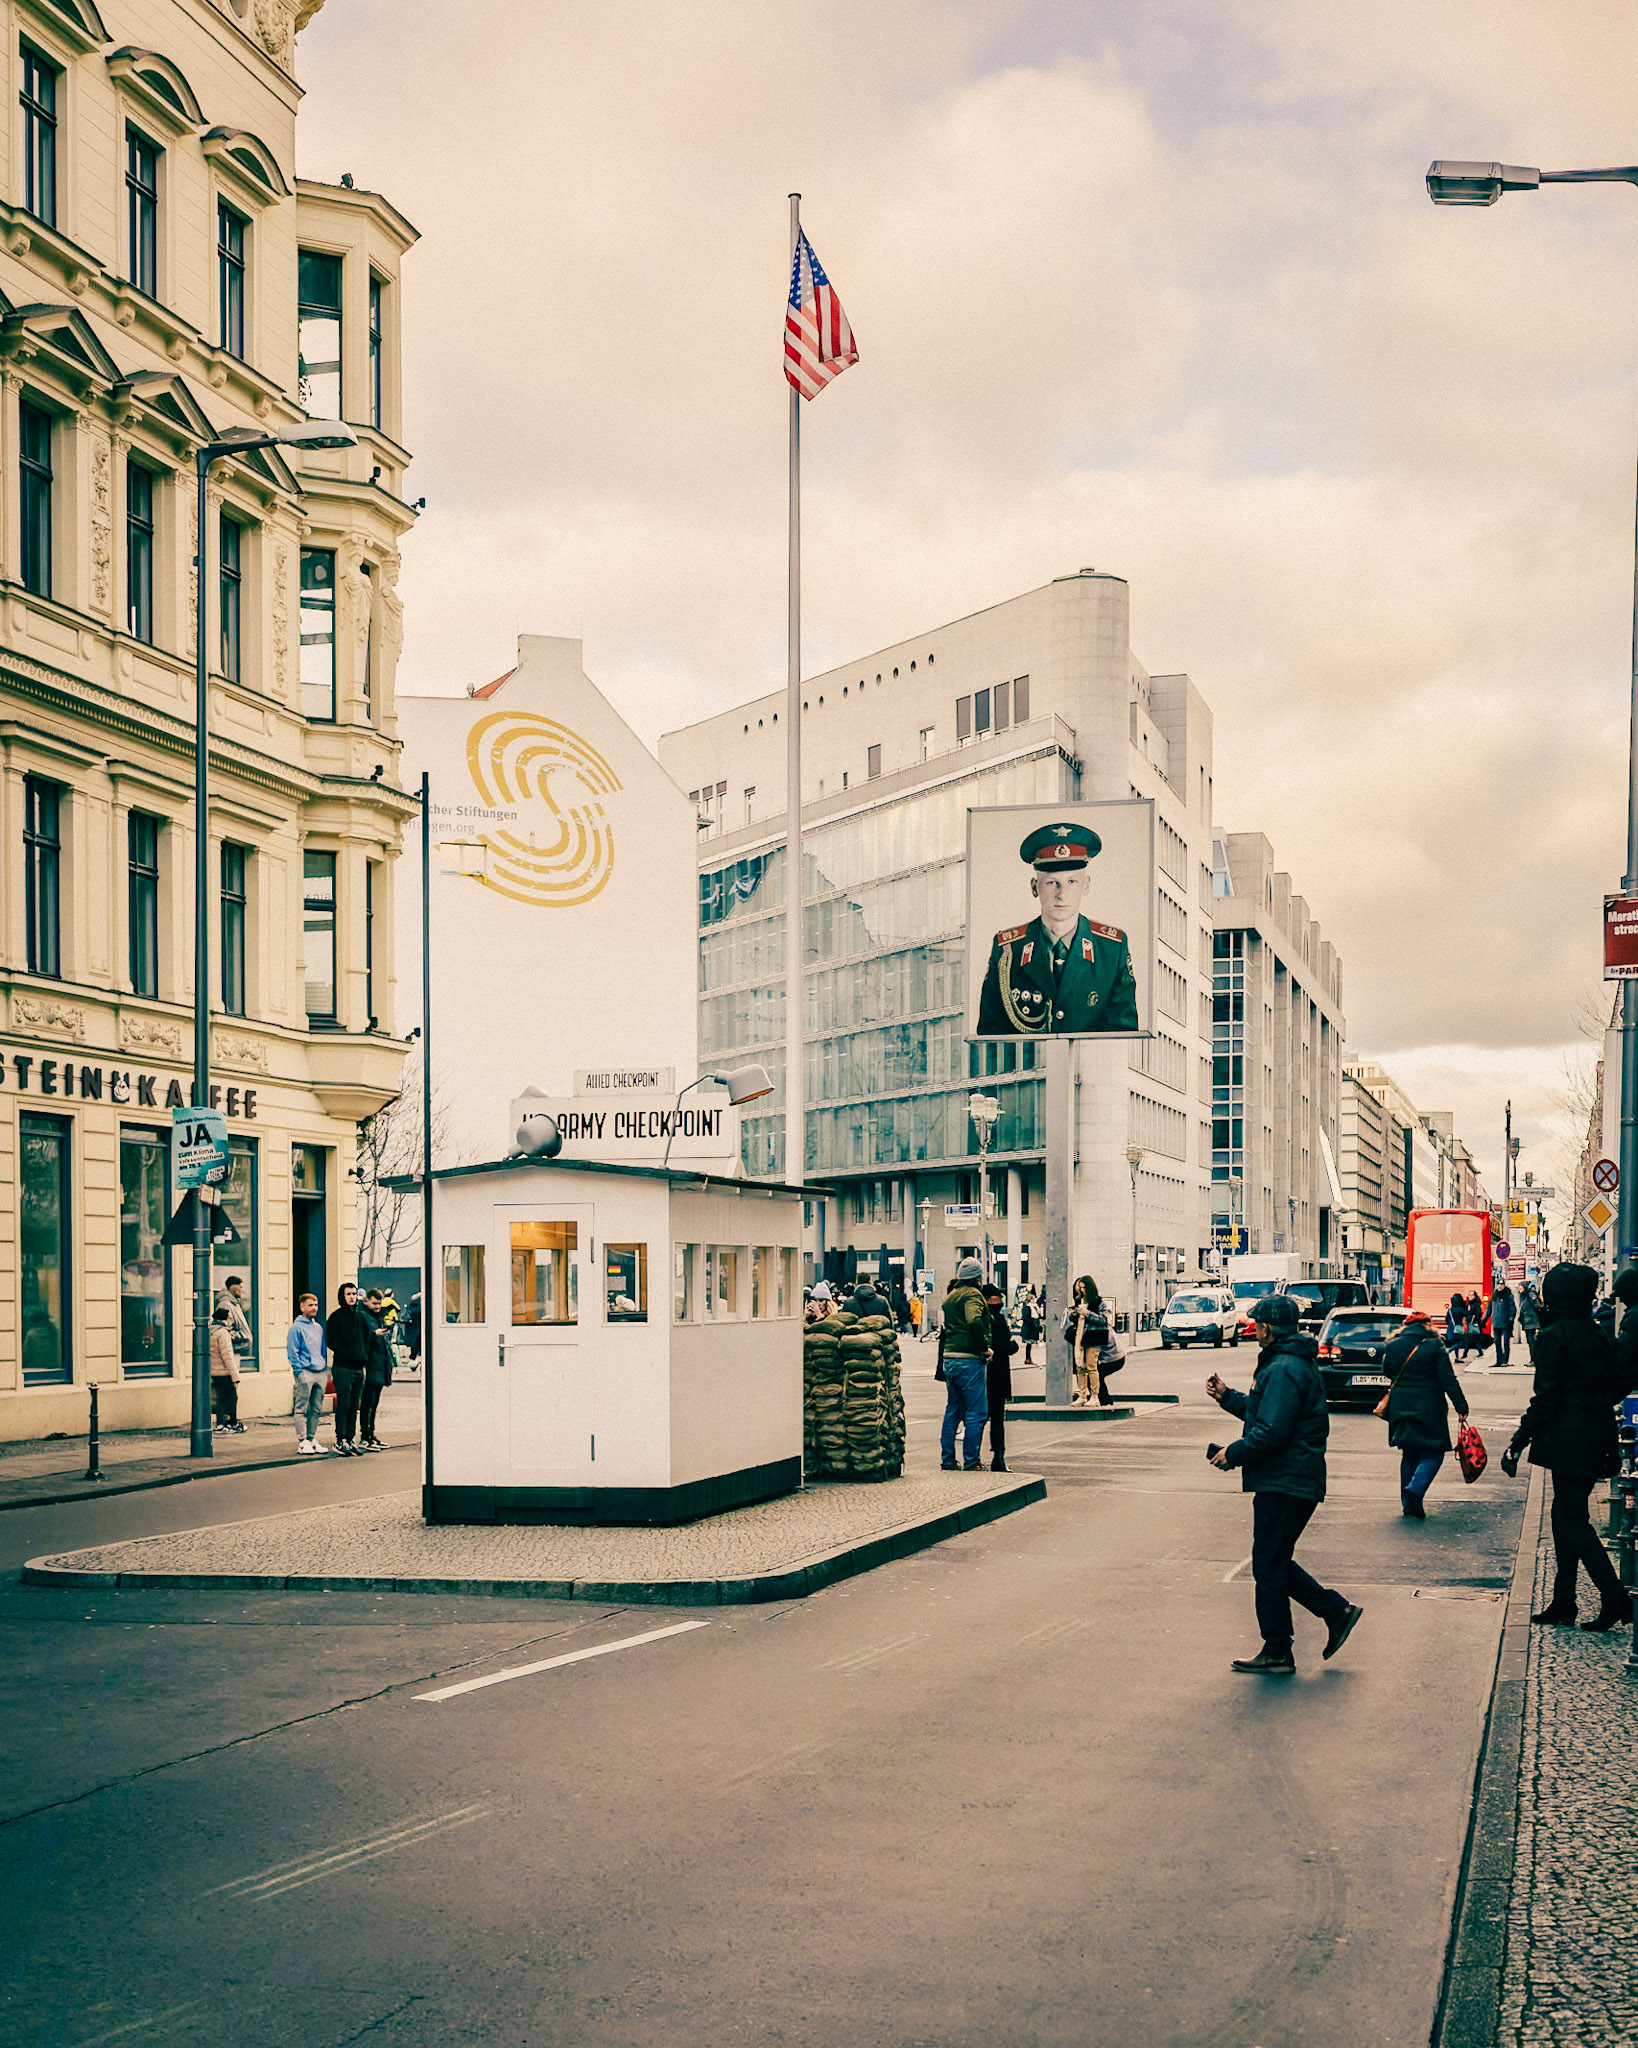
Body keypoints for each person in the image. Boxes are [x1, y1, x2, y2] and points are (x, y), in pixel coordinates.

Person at [1207, 1293, 1363, 1675]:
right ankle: (1334, 1612)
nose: (1254, 1329)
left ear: (1266, 1328)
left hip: (1285, 1480)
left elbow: (1271, 1431)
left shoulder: (1282, 1368)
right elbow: (1266, 1412)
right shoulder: (1289, 1362)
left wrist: (1233, 1454)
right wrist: (1227, 1397)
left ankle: (1279, 1648)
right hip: (1291, 1477)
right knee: (1274, 1561)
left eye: (1257, 1324)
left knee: (1268, 1564)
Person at [1500, 1262, 1634, 1631]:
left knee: (1571, 1519)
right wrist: (1596, 1404)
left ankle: (1615, 1597)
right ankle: (1564, 1601)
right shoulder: (1598, 1334)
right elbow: (1619, 1380)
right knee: (1564, 1517)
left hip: (1567, 1441)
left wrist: (1518, 1441)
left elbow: (1546, 1399)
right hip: (1597, 1437)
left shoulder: (1553, 1337)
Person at [976, 822, 1139, 1035]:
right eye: (1052, 883)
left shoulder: (1111, 949)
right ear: (1035, 887)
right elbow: (990, 1034)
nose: (1062, 895)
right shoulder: (1008, 950)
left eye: (1072, 882)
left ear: (1086, 885)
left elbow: (1124, 1035)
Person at [1382, 1309, 1469, 1518]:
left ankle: (1408, 1505)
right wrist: (1461, 1406)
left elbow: (1387, 1371)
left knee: (1409, 1453)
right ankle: (1415, 1489)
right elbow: (1448, 1379)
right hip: (1429, 1407)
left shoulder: (1392, 1345)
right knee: (1434, 1452)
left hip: (1401, 1405)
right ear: (1427, 1326)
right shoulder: (1434, 1346)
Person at [939, 1258, 991, 1471]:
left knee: (953, 1410)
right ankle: (971, 1461)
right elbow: (973, 1320)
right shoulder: (972, 1295)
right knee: (977, 1411)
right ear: (978, 1277)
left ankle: (948, 1460)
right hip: (968, 1358)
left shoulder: (951, 1296)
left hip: (950, 1357)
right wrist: (984, 1347)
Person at [324, 1281, 374, 1456]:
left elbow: (367, 1338)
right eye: (348, 1294)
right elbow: (331, 1341)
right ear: (342, 1296)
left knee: (354, 1406)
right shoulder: (335, 1317)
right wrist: (348, 1353)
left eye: (354, 1294)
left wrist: (364, 1355)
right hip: (343, 1368)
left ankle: (350, 1439)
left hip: (358, 1369)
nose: (352, 1297)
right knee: (343, 1405)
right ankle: (340, 1440)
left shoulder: (360, 1317)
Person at [286, 1292, 330, 1454]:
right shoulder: (296, 1328)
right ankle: (302, 1441)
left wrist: (324, 1368)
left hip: (320, 1371)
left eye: (316, 1305)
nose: (314, 1308)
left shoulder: (318, 1328)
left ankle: (311, 1438)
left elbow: (322, 1349)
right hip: (305, 1371)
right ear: (302, 1307)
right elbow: (293, 1351)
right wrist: (299, 1372)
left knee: (316, 1409)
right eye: (310, 1305)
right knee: (301, 1408)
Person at [981, 1283, 1016, 1472]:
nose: (1000, 1299)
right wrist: (1010, 1347)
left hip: (996, 1371)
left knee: (993, 1416)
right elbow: (997, 1343)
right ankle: (996, 1457)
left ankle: (998, 1455)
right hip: (994, 1370)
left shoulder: (994, 1317)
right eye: (997, 1296)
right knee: (991, 1416)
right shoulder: (990, 1318)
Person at [1065, 1275, 1113, 1406]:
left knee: (1091, 1366)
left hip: (1094, 1337)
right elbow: (1072, 1318)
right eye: (1080, 1288)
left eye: (1084, 1288)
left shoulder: (1098, 1302)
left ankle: (1094, 1396)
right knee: (1080, 1366)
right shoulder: (1078, 1300)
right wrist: (1074, 1314)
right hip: (1080, 1336)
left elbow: (1103, 1319)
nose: (1081, 1290)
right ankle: (1082, 1395)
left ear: (1090, 1288)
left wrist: (1086, 1313)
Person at [359, 1288, 397, 1451]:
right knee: (367, 1403)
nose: (377, 1306)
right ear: (367, 1301)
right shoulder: (363, 1316)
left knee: (374, 1404)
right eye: (374, 1303)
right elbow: (361, 1339)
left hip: (380, 1364)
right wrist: (374, 1334)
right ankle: (365, 1436)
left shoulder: (378, 1317)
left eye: (379, 1304)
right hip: (371, 1365)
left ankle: (371, 1435)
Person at [210, 1306, 243, 1432]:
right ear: (225, 1319)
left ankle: (220, 1422)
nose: (230, 1321)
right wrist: (235, 1375)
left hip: (214, 1371)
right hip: (224, 1372)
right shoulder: (223, 1333)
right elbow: (227, 1355)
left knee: (220, 1398)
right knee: (232, 1397)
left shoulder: (210, 1331)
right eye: (229, 1318)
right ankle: (232, 1423)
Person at [216, 1273, 254, 1368]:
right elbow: (221, 1330)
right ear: (233, 1288)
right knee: (232, 1376)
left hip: (235, 1351)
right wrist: (240, 1337)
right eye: (241, 1287)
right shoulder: (225, 1305)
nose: (243, 1290)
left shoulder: (235, 1304)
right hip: (230, 1353)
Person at [1491, 1279, 1517, 1367]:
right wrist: (1485, 1319)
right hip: (1496, 1322)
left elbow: (1512, 1308)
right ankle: (1498, 1360)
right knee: (1497, 1343)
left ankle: (1505, 1361)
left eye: (1502, 1284)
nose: (1500, 1286)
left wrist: (1511, 1319)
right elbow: (1490, 1308)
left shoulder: (1508, 1295)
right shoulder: (1494, 1295)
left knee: (1506, 1343)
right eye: (1499, 1284)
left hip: (1506, 1323)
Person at [1444, 1291, 1470, 1364]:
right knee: (1460, 1343)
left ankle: (1456, 1358)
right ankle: (1448, 1352)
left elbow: (1446, 1320)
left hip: (1451, 1329)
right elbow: (1467, 1315)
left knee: (1456, 1342)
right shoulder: (1461, 1309)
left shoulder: (1450, 1310)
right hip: (1458, 1328)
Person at [1518, 1282, 1542, 1360]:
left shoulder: (1529, 1294)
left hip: (1531, 1321)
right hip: (1527, 1322)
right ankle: (1533, 1359)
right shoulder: (1523, 1296)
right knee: (1530, 1342)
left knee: (1532, 1342)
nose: (1519, 1289)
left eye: (1521, 1287)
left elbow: (1537, 1305)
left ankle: (1534, 1359)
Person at [1018, 1287, 1041, 1367]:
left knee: (1030, 1344)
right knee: (1028, 1344)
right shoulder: (1028, 1307)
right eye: (1033, 1298)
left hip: (1032, 1328)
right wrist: (1032, 1322)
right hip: (1029, 1329)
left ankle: (1028, 1358)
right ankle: (1028, 1358)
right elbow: (1025, 1317)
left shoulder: (1035, 1307)